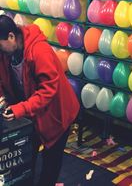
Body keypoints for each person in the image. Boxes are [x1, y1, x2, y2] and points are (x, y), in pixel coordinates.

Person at [0, 15, 80, 186]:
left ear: (11, 37)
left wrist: (20, 109)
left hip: (57, 113)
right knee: (27, 154)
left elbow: (48, 91)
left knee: (51, 160)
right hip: (31, 111)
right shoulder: (5, 51)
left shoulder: (39, 51)